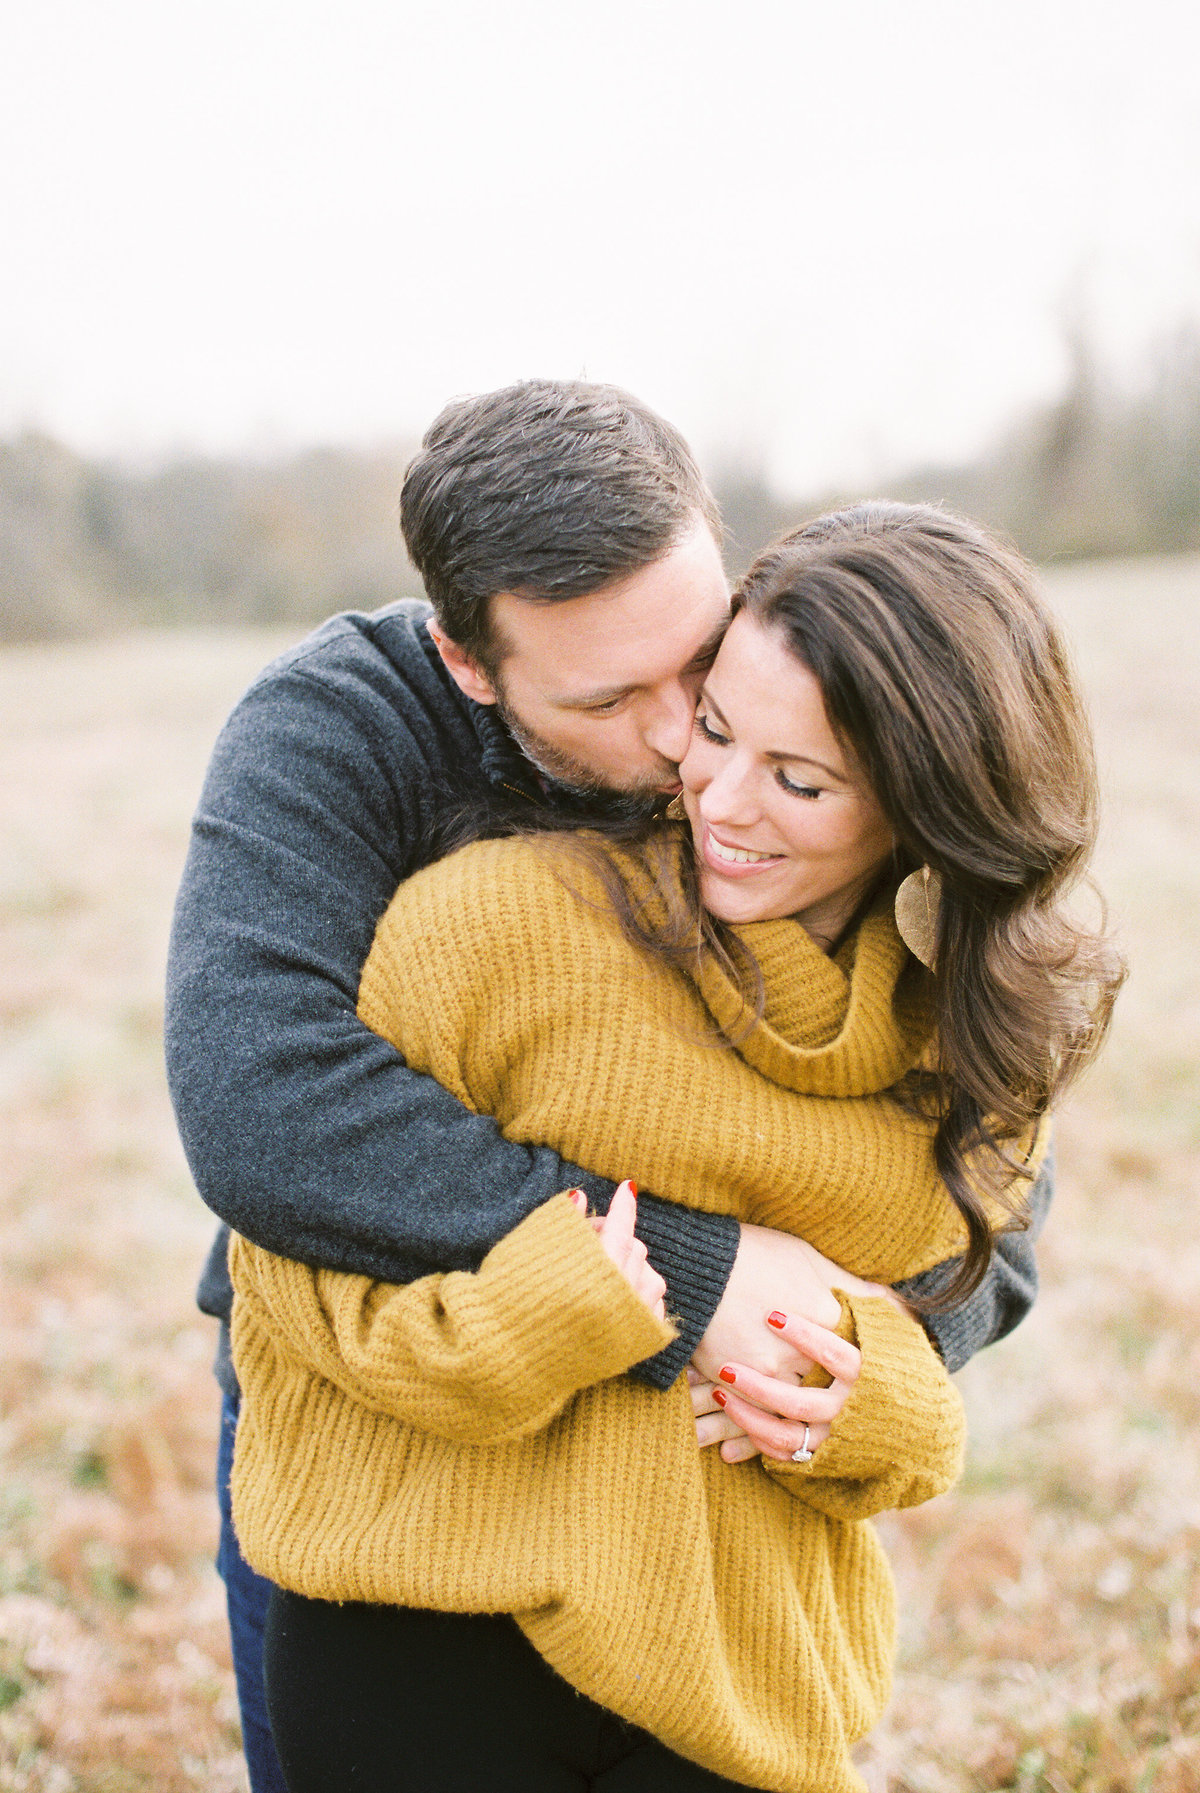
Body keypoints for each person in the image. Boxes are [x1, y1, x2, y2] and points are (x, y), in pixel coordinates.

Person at [165, 388, 1052, 1792]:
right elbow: (261, 1105)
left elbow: (985, 1193)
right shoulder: (340, 728)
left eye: (693, 668)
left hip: (693, 1513)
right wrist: (697, 1272)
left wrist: (869, 1358)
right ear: (469, 661)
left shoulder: (780, 702)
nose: (677, 754)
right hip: (393, 1371)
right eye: (604, 700)